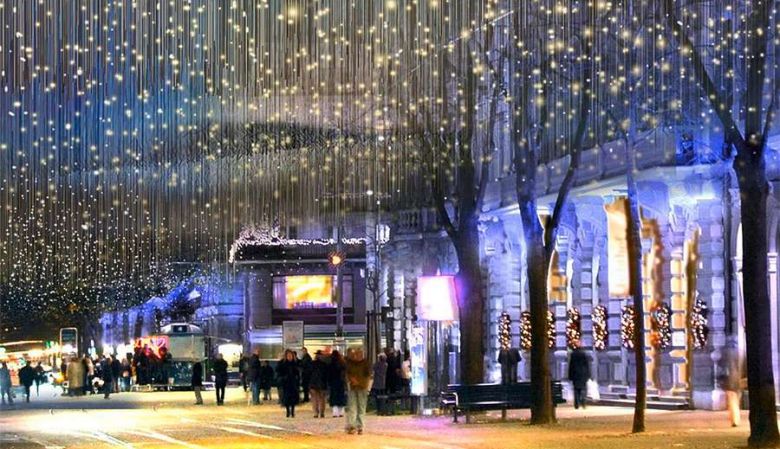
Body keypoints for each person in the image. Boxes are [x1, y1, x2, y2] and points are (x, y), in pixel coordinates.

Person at [345, 348, 372, 435]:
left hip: (362, 387)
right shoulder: (350, 364)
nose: (356, 356)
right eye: (355, 354)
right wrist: (351, 380)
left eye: (359, 354)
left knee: (361, 408)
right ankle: (352, 426)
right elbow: (347, 374)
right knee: (352, 407)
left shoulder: (366, 363)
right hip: (353, 388)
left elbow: (368, 376)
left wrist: (363, 384)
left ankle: (360, 426)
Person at [718, 339, 742, 427]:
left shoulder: (725, 352)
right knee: (736, 399)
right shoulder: (741, 352)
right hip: (738, 379)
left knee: (732, 399)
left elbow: (721, 364)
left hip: (729, 379)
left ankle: (734, 419)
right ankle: (737, 418)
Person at [567, 340, 591, 409]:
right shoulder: (583, 353)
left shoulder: (573, 354)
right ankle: (583, 403)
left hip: (575, 374)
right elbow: (586, 365)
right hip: (583, 374)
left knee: (576, 389)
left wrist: (570, 375)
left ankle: (576, 404)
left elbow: (571, 365)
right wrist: (588, 374)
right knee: (583, 389)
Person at [277, 349, 300, 418]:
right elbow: (278, 371)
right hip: (286, 383)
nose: (289, 357)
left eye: (291, 355)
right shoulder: (282, 363)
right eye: (288, 356)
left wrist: (297, 378)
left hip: (293, 383)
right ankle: (287, 411)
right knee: (286, 397)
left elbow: (298, 372)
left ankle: (292, 411)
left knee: (293, 398)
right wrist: (283, 378)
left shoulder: (295, 363)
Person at [328, 350, 347, 417]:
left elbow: (329, 374)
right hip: (341, 382)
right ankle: (341, 412)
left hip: (333, 382)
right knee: (341, 396)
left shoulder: (331, 363)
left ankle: (335, 412)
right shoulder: (342, 363)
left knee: (334, 396)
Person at [309, 350, 328, 418]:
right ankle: (322, 412)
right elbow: (326, 375)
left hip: (313, 383)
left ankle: (315, 413)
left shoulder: (312, 363)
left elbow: (308, 374)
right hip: (322, 383)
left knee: (314, 399)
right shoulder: (325, 364)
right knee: (322, 398)